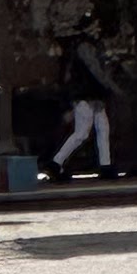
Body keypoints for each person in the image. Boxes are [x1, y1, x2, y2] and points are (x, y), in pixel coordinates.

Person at [49, 22, 123, 183]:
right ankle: (56, 162)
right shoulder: (86, 49)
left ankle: (105, 165)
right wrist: (111, 87)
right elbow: (95, 72)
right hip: (87, 96)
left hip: (90, 96)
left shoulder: (85, 48)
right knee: (83, 133)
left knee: (101, 129)